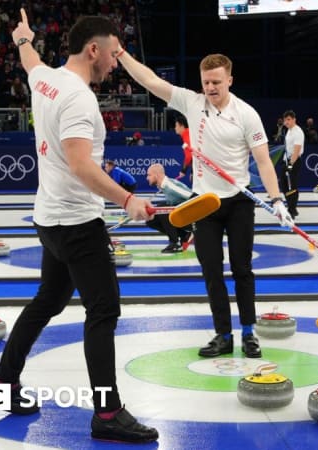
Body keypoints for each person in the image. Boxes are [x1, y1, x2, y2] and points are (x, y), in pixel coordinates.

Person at [0, 10, 158, 443]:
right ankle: (107, 413)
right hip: (78, 224)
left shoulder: (45, 78)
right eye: (115, 54)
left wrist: (23, 39)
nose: (116, 63)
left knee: (47, 300)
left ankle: (4, 385)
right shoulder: (80, 98)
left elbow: (30, 62)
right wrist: (127, 200)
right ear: (94, 50)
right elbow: (82, 166)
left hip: (49, 219)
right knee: (103, 312)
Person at [115, 51, 292, 359]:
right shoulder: (192, 103)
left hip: (238, 201)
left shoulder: (247, 114)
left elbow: (263, 161)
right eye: (206, 82)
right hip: (204, 203)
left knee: (242, 268)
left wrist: (277, 200)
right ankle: (223, 335)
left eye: (216, 82)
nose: (210, 88)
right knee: (211, 271)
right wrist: (120, 54)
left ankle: (249, 333)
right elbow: (149, 80)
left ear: (230, 80)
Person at [145, 163, 193, 253]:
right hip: (183, 217)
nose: (147, 178)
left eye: (149, 175)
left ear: (156, 175)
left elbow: (193, 197)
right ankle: (184, 234)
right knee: (151, 220)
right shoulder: (164, 186)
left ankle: (175, 243)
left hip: (192, 218)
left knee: (162, 209)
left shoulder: (170, 185)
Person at [280, 109, 304, 219]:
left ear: (294, 119)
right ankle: (291, 206)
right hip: (286, 159)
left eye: (289, 120)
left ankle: (292, 209)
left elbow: (297, 150)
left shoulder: (297, 132)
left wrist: (291, 164)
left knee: (292, 185)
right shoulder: (288, 131)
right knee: (283, 184)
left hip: (294, 160)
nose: (286, 122)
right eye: (285, 120)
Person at [174, 114, 193, 181]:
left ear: (182, 126)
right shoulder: (189, 133)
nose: (175, 128)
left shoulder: (187, 135)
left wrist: (183, 170)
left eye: (176, 126)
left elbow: (189, 156)